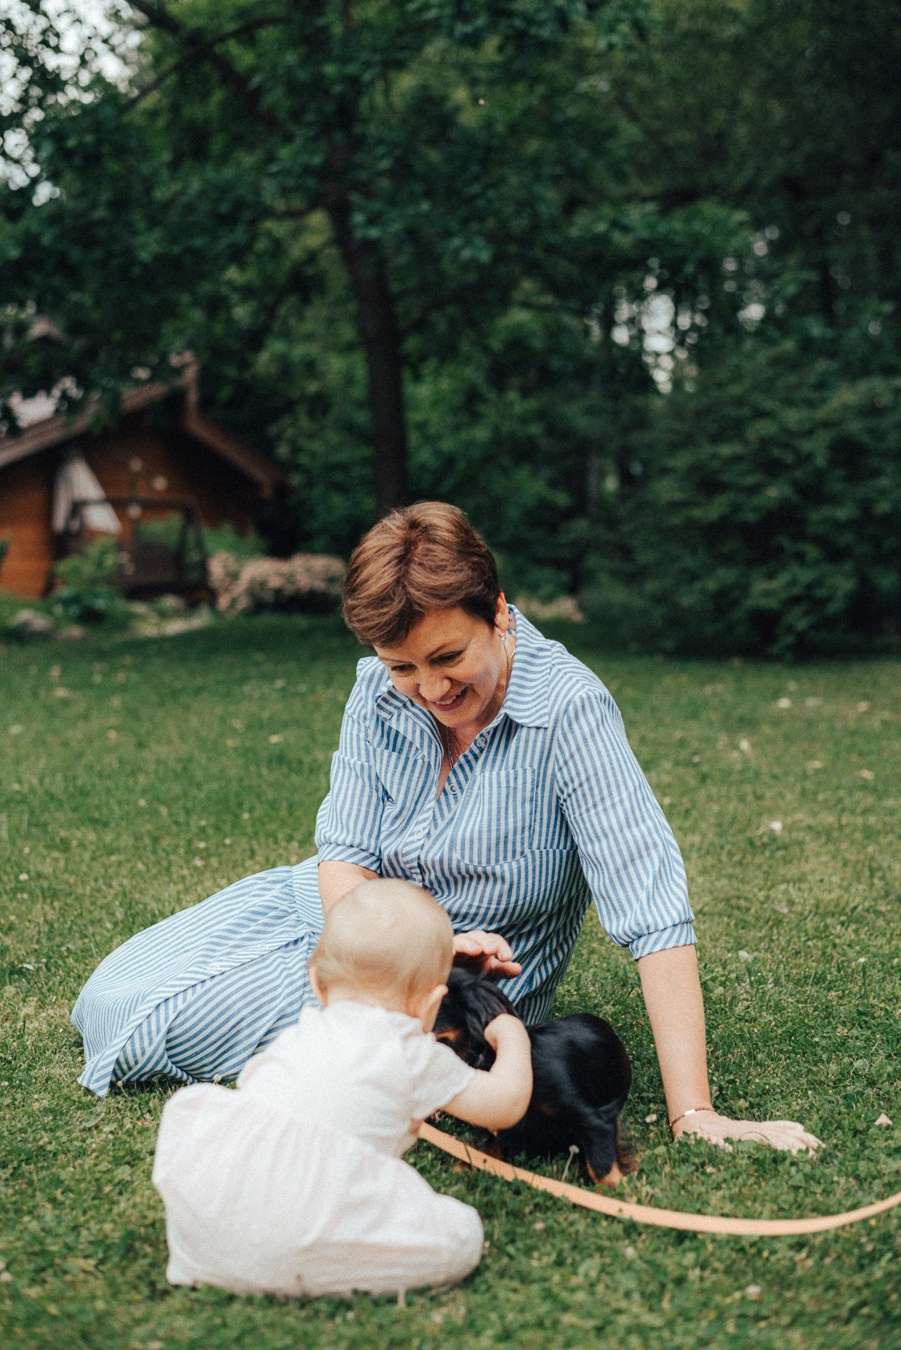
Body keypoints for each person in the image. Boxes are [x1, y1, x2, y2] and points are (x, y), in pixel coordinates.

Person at [73, 501, 820, 1155]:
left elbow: (653, 912)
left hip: (454, 992)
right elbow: (344, 858)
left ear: (496, 610)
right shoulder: (375, 692)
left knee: (152, 1034)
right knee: (108, 997)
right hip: (336, 920)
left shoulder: (568, 712)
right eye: (402, 666)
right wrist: (370, 946)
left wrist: (695, 1111)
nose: (430, 690)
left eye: (448, 656)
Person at [152, 878, 533, 1298]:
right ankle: (305, 1262)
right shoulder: (410, 1052)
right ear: (429, 1005)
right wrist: (511, 1031)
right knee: (460, 1235)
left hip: (211, 1223)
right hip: (308, 1230)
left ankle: (229, 1255)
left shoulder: (300, 1035)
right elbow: (506, 1106)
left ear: (317, 984)